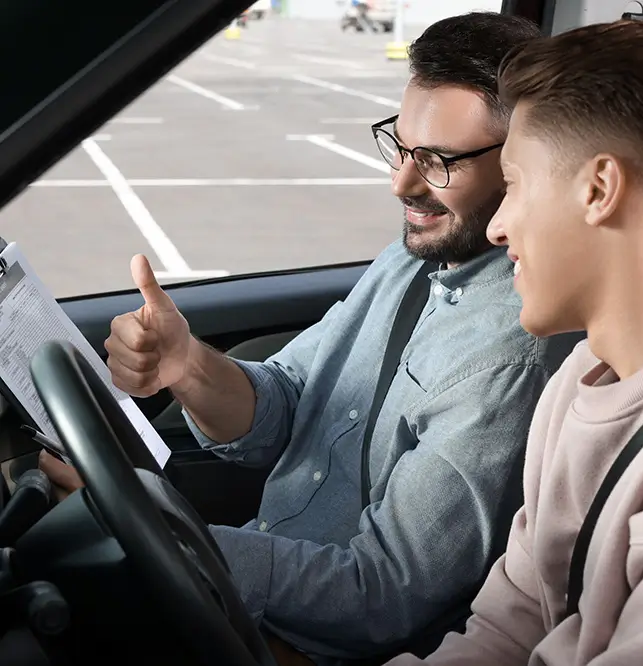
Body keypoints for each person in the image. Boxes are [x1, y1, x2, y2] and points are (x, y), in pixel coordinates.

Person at [39, 12, 583, 665]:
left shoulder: (509, 353)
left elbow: (382, 595)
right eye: (401, 146)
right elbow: (288, 401)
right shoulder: (413, 260)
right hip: (250, 601)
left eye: (438, 162)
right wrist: (186, 364)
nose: (401, 182)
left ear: (523, 162)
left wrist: (180, 544)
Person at [383, 19, 643, 666]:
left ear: (599, 189)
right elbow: (509, 626)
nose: (498, 226)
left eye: (516, 184)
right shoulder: (588, 371)